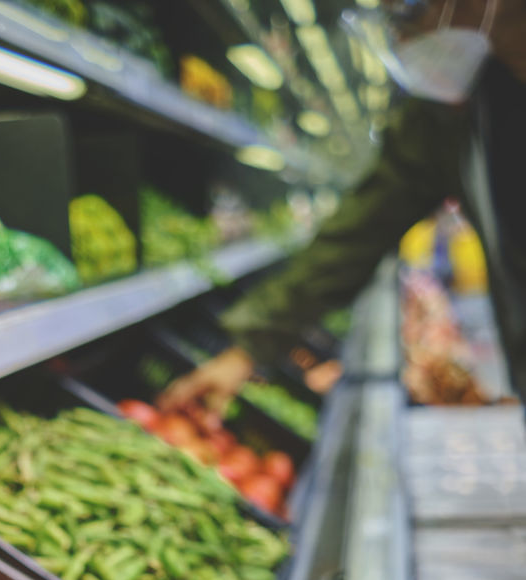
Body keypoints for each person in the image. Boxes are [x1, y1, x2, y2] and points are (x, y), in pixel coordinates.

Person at [158, 0, 526, 414]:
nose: (403, 37)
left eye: (410, 10)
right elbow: (359, 230)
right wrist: (247, 348)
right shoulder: (454, 112)